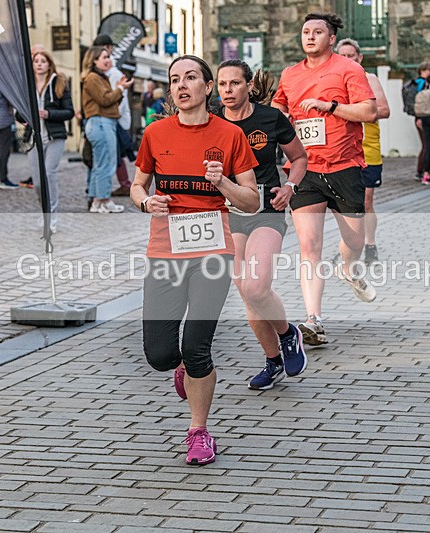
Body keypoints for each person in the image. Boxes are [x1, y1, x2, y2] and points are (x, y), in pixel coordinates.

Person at [130, 55, 259, 465]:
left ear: (208, 87)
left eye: (190, 78)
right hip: (166, 251)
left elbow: (252, 201)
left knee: (198, 346)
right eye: (174, 80)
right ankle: (182, 365)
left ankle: (198, 431)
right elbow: (137, 185)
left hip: (213, 254)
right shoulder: (155, 133)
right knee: (160, 354)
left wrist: (221, 182)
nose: (181, 85)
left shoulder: (230, 135)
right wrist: (147, 201)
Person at [271, 12, 378, 346]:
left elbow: (369, 112)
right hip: (305, 170)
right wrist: (282, 116)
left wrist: (329, 106)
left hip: (345, 167)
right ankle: (313, 320)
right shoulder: (289, 75)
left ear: (331, 38)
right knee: (309, 247)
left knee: (355, 242)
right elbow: (278, 111)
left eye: (318, 32)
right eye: (305, 32)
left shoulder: (349, 69)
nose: (310, 37)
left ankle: (348, 267)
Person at [216, 59, 309, 390]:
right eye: (223, 84)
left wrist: (290, 187)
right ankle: (273, 362)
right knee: (246, 291)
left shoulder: (270, 118)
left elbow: (299, 158)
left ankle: (288, 334)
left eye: (235, 83)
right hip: (228, 213)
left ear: (249, 86)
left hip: (267, 210)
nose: (228, 90)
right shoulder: (211, 121)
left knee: (255, 286)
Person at [335, 38, 390, 266]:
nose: (347, 60)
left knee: (366, 201)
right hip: (341, 150)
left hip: (368, 150)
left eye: (351, 56)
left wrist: (352, 110)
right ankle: (347, 247)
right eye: (343, 56)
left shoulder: (369, 79)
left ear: (360, 58)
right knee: (343, 204)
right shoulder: (332, 82)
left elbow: (384, 110)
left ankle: (370, 244)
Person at [30, 50, 74, 232]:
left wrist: (49, 114)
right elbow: (18, 112)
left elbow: (69, 111)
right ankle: (44, 211)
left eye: (43, 61)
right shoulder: (28, 84)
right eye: (36, 61)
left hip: (55, 136)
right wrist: (24, 116)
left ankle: (52, 218)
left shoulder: (59, 83)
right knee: (38, 181)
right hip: (33, 137)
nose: (39, 64)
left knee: (49, 174)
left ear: (49, 64)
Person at [82, 45, 124, 214]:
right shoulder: (93, 78)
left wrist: (119, 91)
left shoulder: (100, 78)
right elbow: (105, 100)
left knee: (100, 163)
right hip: (101, 122)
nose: (108, 60)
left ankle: (97, 200)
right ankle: (102, 199)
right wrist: (120, 89)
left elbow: (111, 103)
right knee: (106, 163)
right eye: (104, 57)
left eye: (109, 56)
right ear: (94, 60)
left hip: (102, 121)